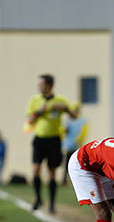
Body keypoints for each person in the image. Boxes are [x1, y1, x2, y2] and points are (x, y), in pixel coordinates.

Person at [25, 74, 77, 213]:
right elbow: (29, 120)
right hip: (39, 139)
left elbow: (74, 116)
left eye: (42, 84)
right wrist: (40, 111)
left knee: (52, 172)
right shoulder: (35, 100)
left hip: (54, 140)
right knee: (36, 169)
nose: (39, 87)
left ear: (50, 86)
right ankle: (38, 199)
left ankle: (52, 204)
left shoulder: (60, 100)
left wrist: (65, 109)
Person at [62, 103, 87, 185]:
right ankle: (65, 180)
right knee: (67, 163)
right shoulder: (67, 122)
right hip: (68, 146)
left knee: (77, 164)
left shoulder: (82, 121)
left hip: (77, 146)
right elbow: (62, 132)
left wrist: (78, 141)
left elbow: (83, 133)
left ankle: (75, 180)